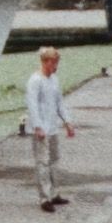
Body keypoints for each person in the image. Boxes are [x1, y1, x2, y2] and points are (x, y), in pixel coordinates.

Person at [26, 47, 76, 213]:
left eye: (57, 62)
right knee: (42, 162)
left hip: (52, 127)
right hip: (41, 128)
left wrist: (67, 121)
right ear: (45, 62)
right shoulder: (35, 80)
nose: (56, 66)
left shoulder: (54, 79)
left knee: (54, 160)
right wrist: (37, 126)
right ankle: (44, 198)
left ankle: (55, 193)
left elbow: (59, 102)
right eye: (54, 63)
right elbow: (32, 105)